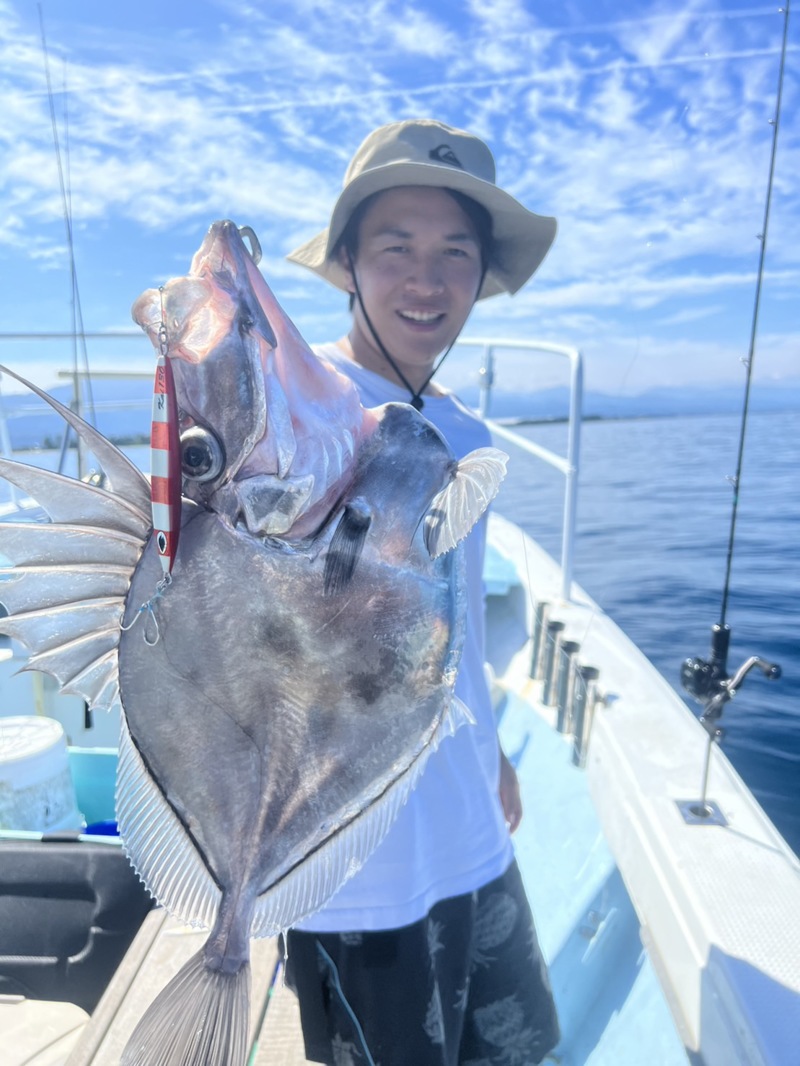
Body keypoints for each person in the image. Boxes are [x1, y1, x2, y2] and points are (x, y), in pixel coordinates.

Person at [284, 118, 560, 1066]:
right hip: (354, 864)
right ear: (348, 262)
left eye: (455, 255)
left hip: (470, 826)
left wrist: (495, 755)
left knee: (513, 1051)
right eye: (396, 248)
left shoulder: (466, 431)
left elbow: (459, 630)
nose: (426, 281)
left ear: (482, 278)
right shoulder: (297, 411)